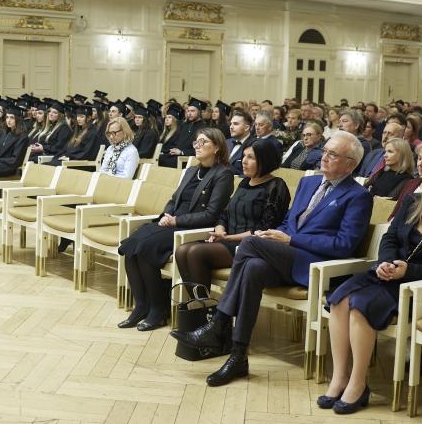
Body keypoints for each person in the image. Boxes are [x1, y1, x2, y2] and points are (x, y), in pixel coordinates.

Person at [171, 132, 372, 386]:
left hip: (316, 266)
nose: (324, 157)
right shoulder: (308, 183)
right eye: (324, 151)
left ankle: (219, 323)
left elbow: (344, 245)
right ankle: (238, 358)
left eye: (332, 154)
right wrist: (278, 235)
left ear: (350, 164)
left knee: (251, 241)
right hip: (286, 256)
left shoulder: (357, 195)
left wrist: (289, 240)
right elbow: (290, 221)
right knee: (253, 266)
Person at [320, 155, 422, 413]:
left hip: (421, 289)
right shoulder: (413, 201)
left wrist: (408, 271)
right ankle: (339, 378)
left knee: (359, 304)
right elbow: (390, 238)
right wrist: (385, 262)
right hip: (387, 274)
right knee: (339, 299)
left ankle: (358, 384)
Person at [118, 128, 233, 331]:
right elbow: (173, 200)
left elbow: (211, 214)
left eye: (202, 142)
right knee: (130, 244)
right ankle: (142, 305)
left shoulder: (223, 174)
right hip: (173, 223)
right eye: (196, 143)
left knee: (145, 248)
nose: (196, 146)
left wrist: (176, 221)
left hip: (194, 228)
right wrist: (166, 217)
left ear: (216, 147)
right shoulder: (191, 170)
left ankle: (158, 309)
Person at [175, 140, 290, 295]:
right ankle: (199, 306)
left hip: (250, 245)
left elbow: (265, 228)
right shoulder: (244, 182)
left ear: (265, 160)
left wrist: (228, 238)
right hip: (228, 239)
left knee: (195, 252)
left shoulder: (276, 185)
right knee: (181, 251)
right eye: (243, 156)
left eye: (251, 157)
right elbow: (225, 213)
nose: (244, 161)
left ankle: (206, 310)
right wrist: (220, 231)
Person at [158, 98, 206, 167]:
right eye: (188, 111)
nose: (189, 113)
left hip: (188, 158)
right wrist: (174, 149)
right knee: (159, 158)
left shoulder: (204, 129)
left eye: (192, 111)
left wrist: (182, 152)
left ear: (200, 112)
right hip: (178, 155)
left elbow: (200, 149)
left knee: (164, 162)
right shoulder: (185, 126)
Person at [226, 110, 253, 177]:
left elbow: (253, 173)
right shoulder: (228, 142)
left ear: (246, 127)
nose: (231, 127)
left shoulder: (254, 145)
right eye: (231, 124)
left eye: (236, 124)